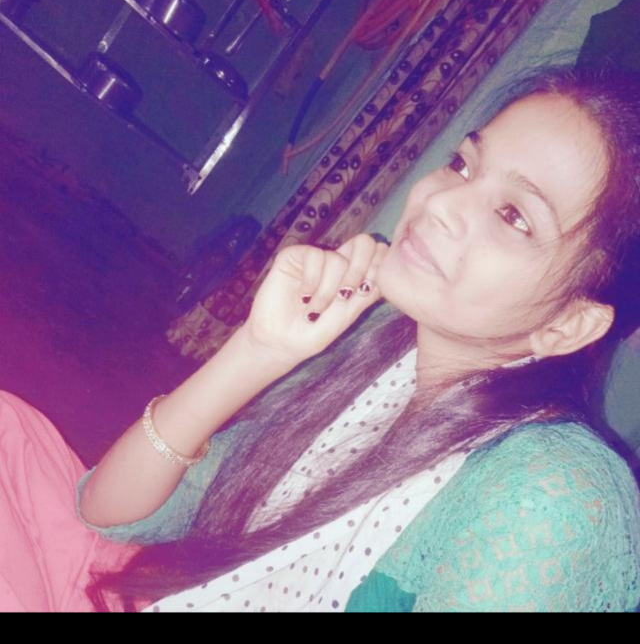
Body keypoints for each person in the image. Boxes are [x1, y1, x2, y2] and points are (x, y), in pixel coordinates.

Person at [4, 62, 640, 612]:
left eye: (512, 216)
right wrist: (258, 350)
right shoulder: (386, 364)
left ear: (568, 325)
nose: (439, 203)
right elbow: (109, 512)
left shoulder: (557, 496)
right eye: (462, 164)